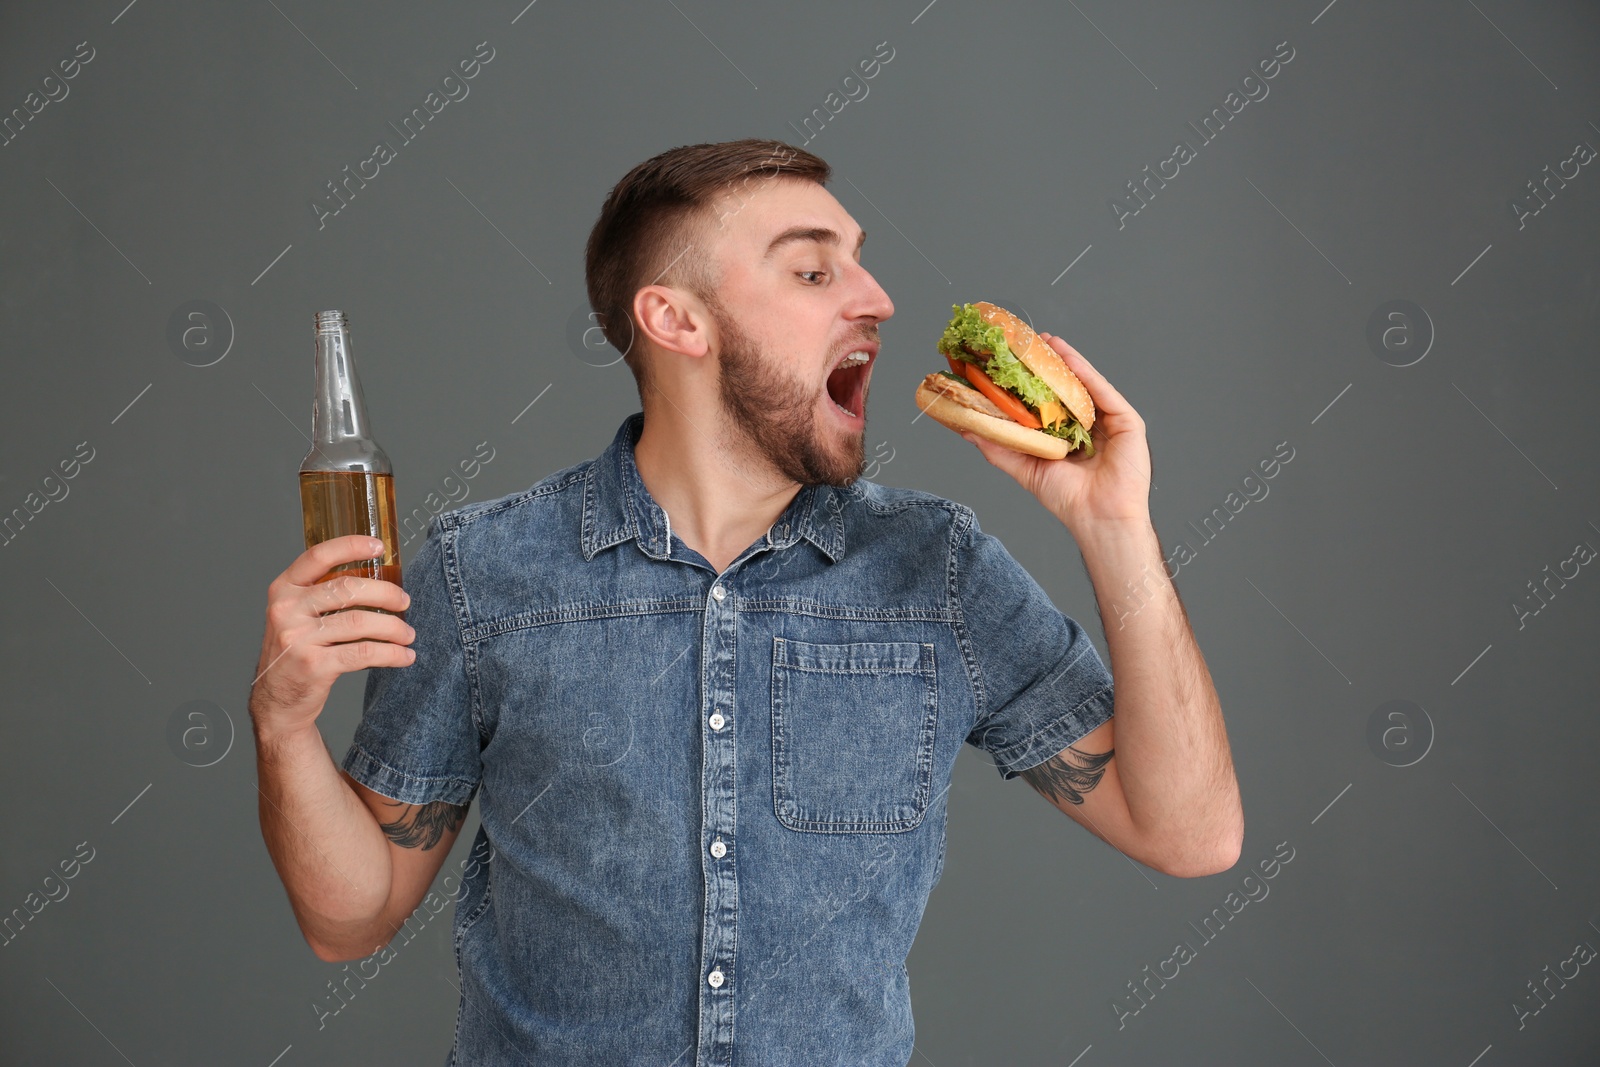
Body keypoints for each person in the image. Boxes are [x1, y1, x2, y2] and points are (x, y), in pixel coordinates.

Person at [250, 138, 1243, 1066]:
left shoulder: (936, 567)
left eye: (860, 262)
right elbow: (351, 918)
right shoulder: (485, 569)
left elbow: (1190, 835)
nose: (879, 299)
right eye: (813, 271)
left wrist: (1116, 530)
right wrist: (284, 727)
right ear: (674, 318)